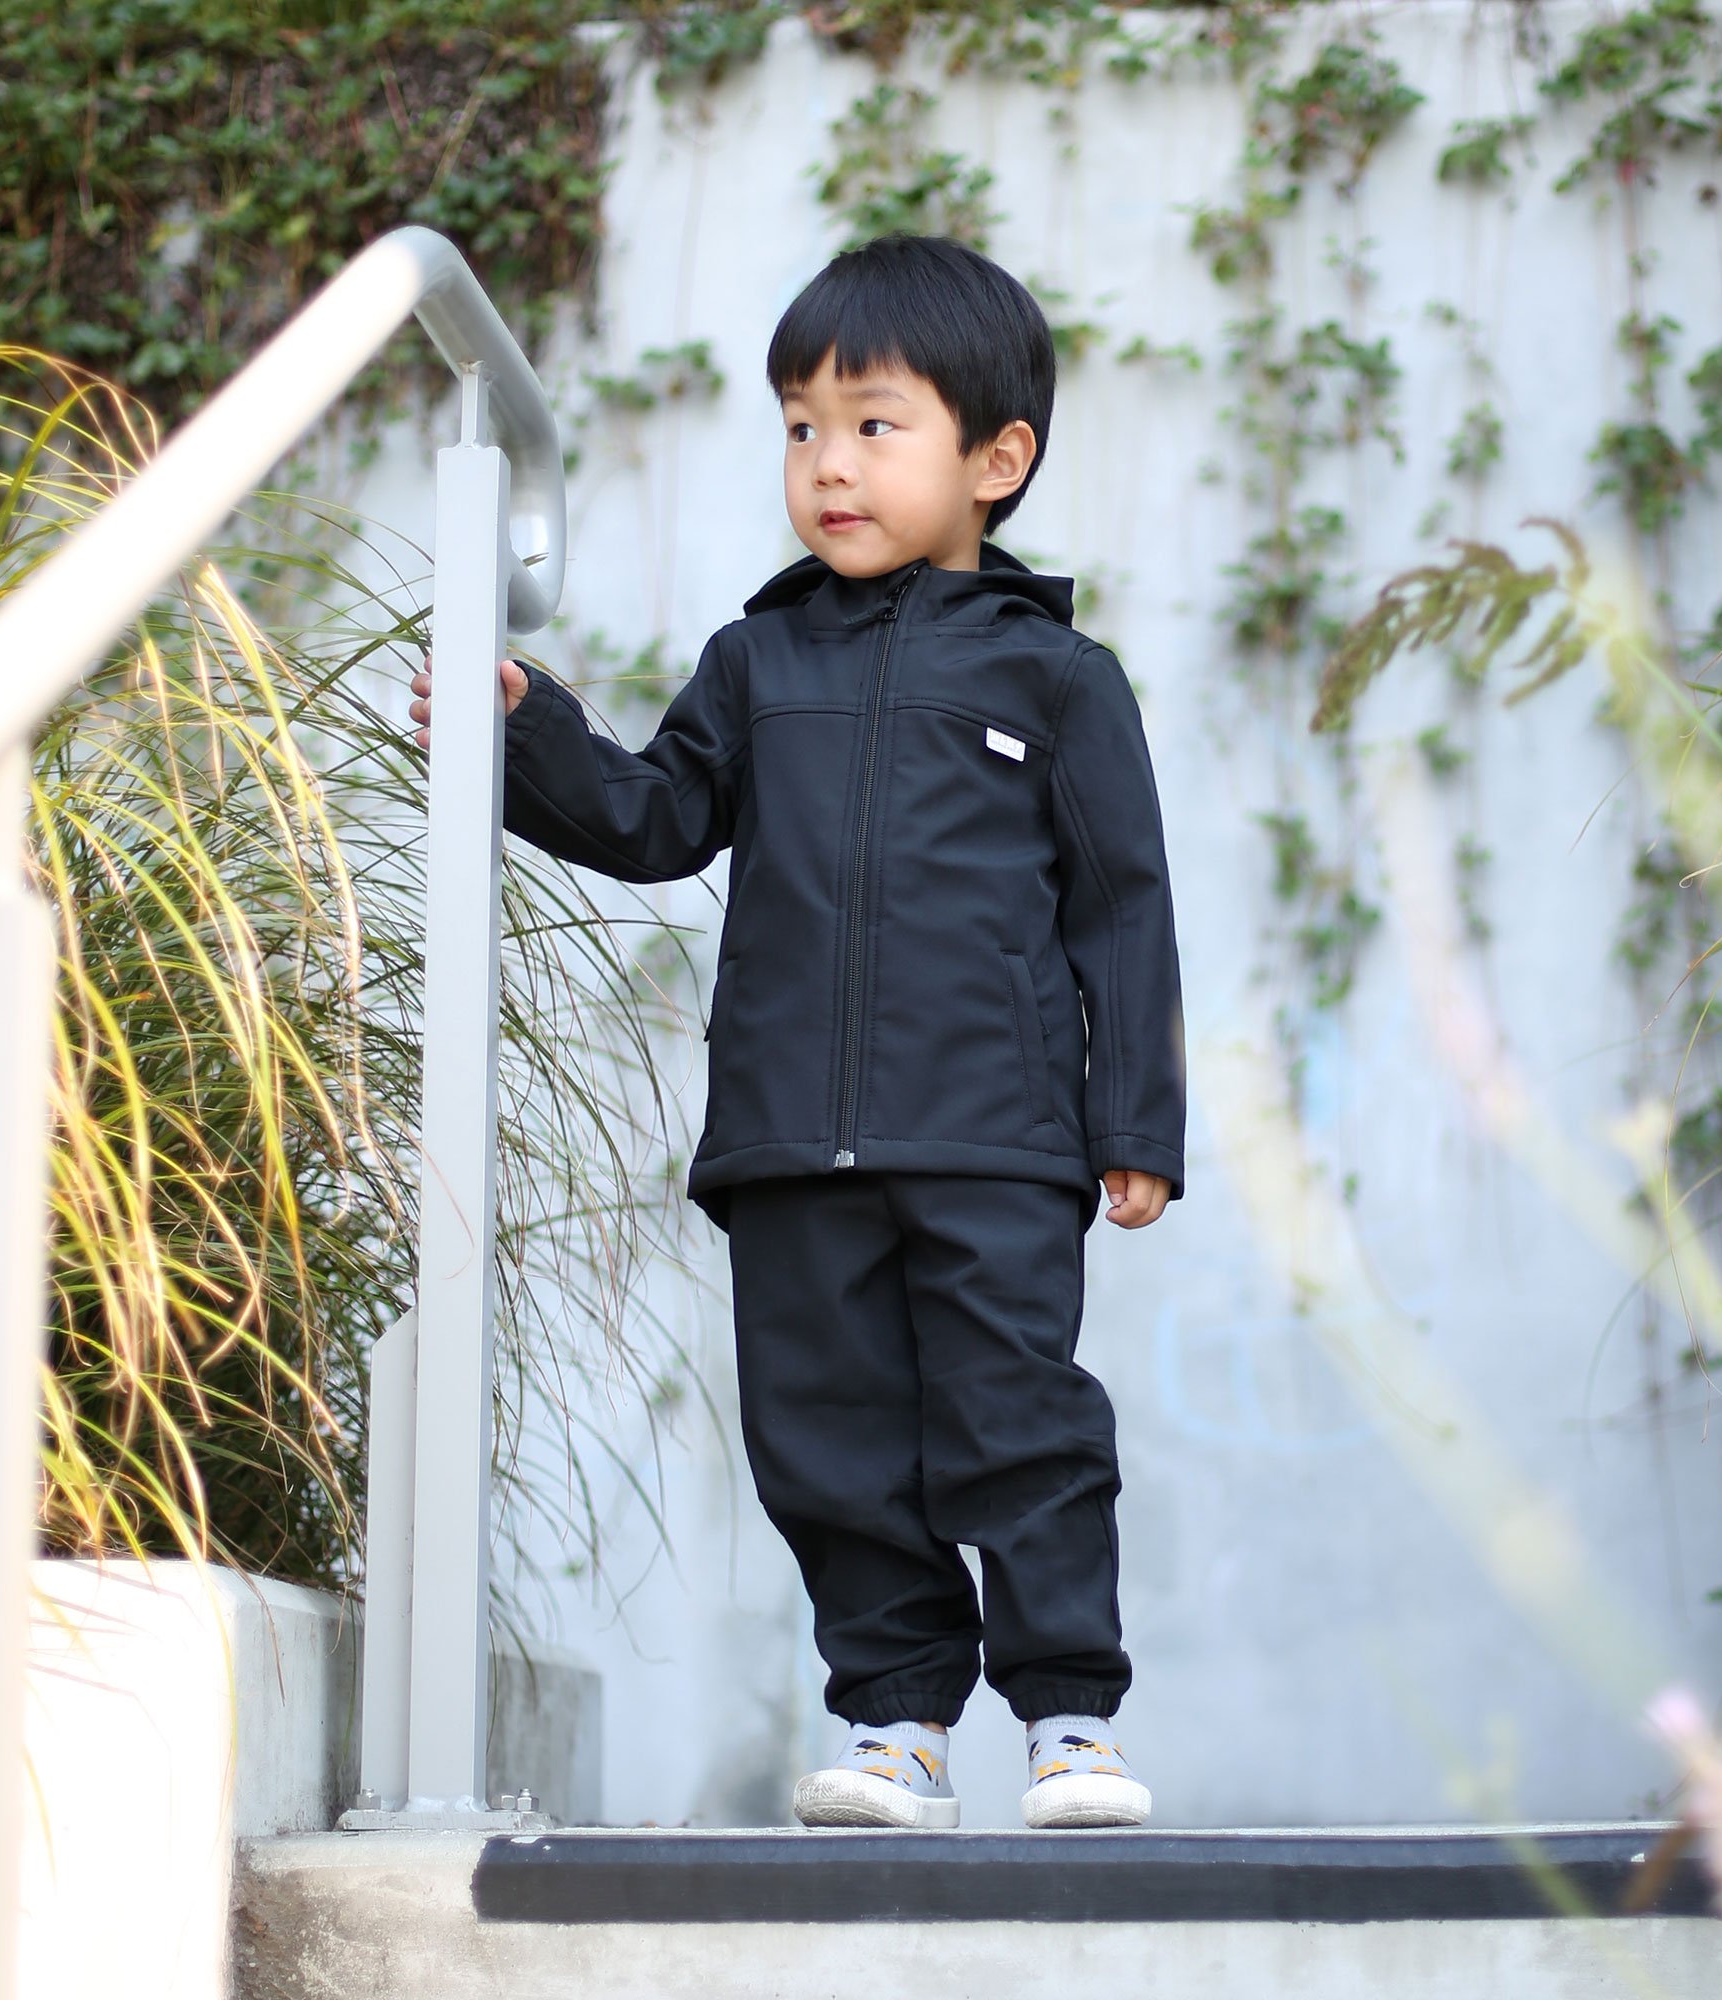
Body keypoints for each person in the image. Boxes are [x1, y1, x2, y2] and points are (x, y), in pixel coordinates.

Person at [409, 232, 1187, 1831]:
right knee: (827, 1445)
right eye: (800, 428)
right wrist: (529, 732)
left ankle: (1069, 1719)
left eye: (874, 425)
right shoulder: (755, 664)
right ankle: (897, 1723)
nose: (829, 464)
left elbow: (1123, 910)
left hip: (994, 1139)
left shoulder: (1058, 678)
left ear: (995, 459)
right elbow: (654, 819)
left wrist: (1136, 1127)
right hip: (785, 1145)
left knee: (1018, 1421)